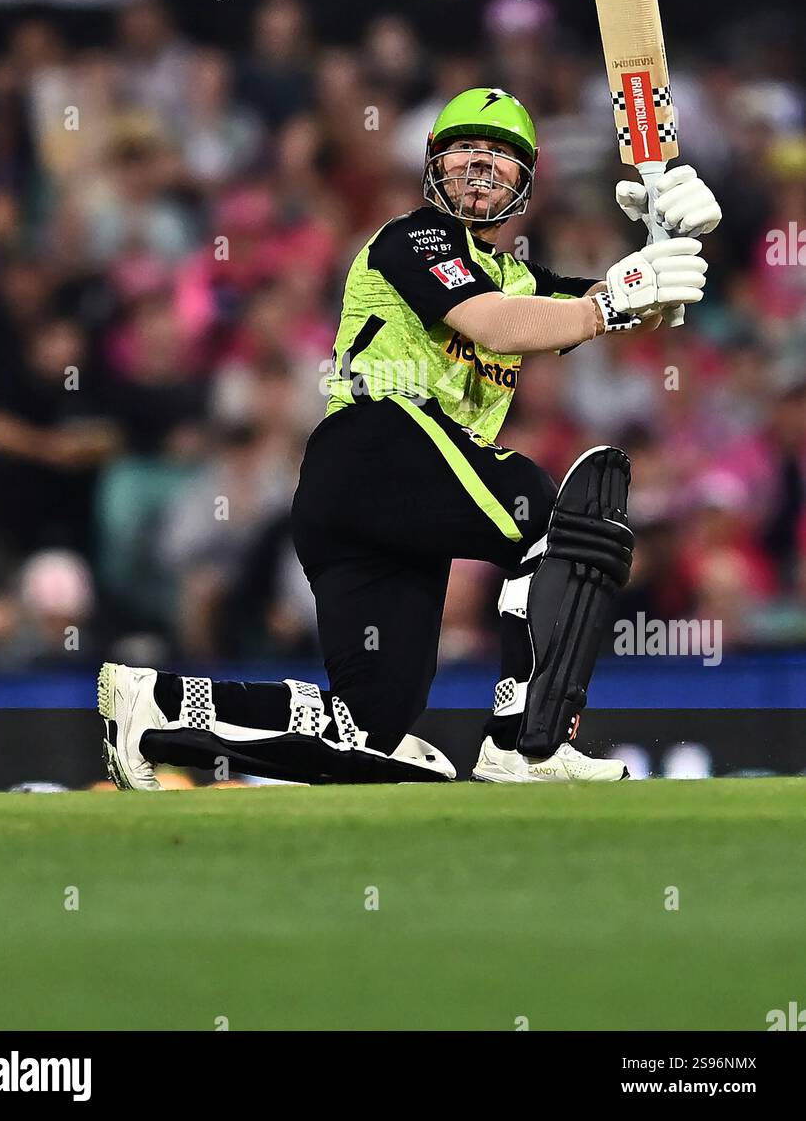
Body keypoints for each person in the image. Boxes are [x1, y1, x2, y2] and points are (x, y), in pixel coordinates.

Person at [99, 87, 721, 788]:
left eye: (502, 157)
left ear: (526, 184)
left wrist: (670, 241)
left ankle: (153, 709)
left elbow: (634, 309)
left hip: (388, 504)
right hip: (376, 444)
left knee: (371, 726)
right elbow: (504, 323)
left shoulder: (520, 277)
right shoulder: (414, 238)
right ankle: (524, 743)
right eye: (466, 151)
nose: (482, 166)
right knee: (549, 514)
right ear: (433, 167)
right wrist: (608, 302)